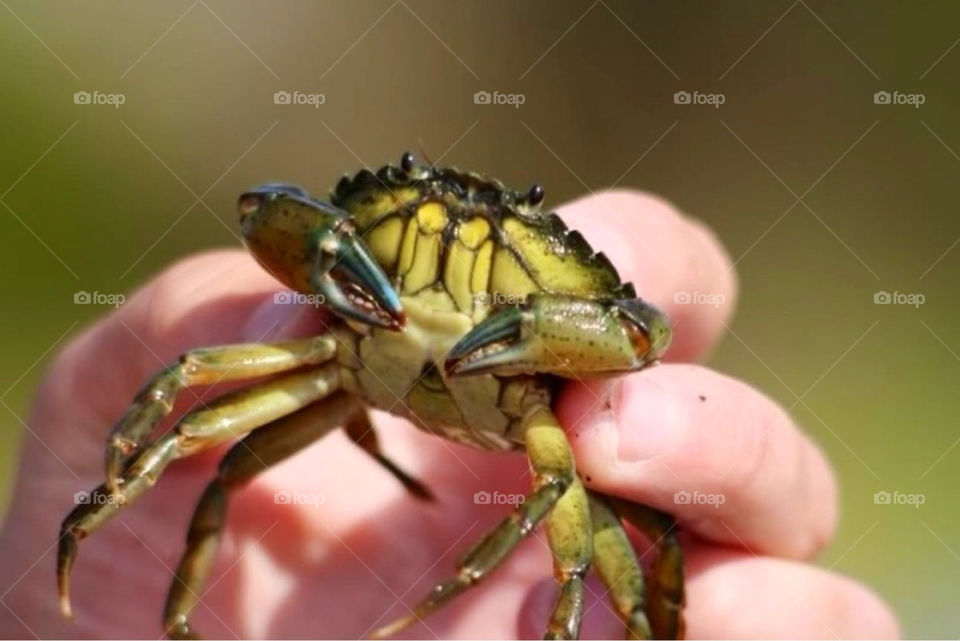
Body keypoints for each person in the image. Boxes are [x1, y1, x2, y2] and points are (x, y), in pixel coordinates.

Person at [0, 191, 898, 639]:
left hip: (528, 410)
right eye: (412, 208)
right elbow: (253, 231)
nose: (448, 241)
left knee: (596, 561)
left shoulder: (570, 441)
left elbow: (637, 327)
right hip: (336, 366)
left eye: (500, 244)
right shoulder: (310, 325)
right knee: (207, 439)